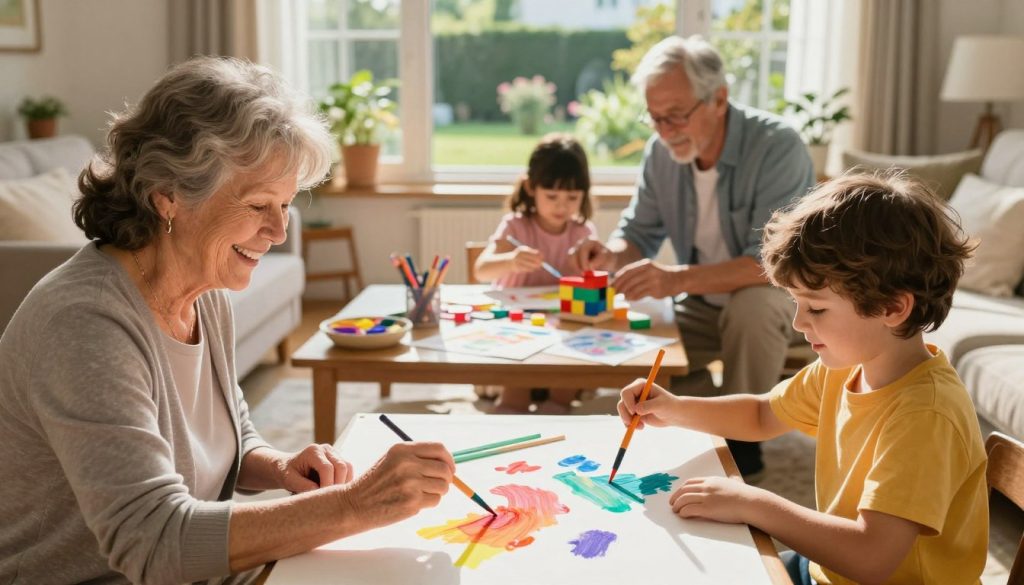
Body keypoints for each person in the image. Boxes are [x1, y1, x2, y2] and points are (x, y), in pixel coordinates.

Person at [0, 56, 455, 584]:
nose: (279, 230)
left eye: (285, 204)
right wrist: (355, 505)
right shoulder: (83, 324)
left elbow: (229, 438)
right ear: (168, 195)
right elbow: (151, 541)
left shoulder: (202, 289)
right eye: (260, 204)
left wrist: (280, 466)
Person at [617, 173, 987, 585]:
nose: (797, 322)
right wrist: (674, 408)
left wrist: (754, 503)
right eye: (796, 304)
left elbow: (872, 558)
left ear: (892, 307)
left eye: (817, 309)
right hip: (827, 572)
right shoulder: (849, 366)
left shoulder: (926, 415)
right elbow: (761, 415)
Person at [571, 35, 815, 477]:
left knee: (751, 306)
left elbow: (770, 264)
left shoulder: (777, 146)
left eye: (676, 116)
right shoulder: (661, 155)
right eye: (655, 118)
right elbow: (638, 233)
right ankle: (701, 406)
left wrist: (674, 279)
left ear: (718, 99)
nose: (665, 131)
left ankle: (744, 446)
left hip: (773, 301)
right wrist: (607, 255)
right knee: (645, 323)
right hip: (700, 304)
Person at [475, 133, 597, 414]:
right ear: (531, 188)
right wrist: (511, 261)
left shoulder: (583, 232)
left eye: (572, 197)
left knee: (563, 391)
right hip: (517, 329)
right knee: (514, 399)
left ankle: (555, 411)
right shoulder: (516, 226)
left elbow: (594, 283)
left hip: (564, 330)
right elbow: (481, 270)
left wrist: (587, 271)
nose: (562, 206)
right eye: (552, 196)